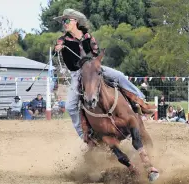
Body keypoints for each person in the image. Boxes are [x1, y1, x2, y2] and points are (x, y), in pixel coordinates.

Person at [53, 8, 151, 139]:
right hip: (78, 73)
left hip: (94, 69)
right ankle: (84, 135)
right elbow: (57, 46)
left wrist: (94, 61)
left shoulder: (88, 36)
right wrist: (58, 48)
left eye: (66, 20)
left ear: (75, 21)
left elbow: (96, 53)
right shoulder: (63, 40)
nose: (64, 24)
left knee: (120, 76)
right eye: (63, 21)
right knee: (70, 106)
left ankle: (140, 100)